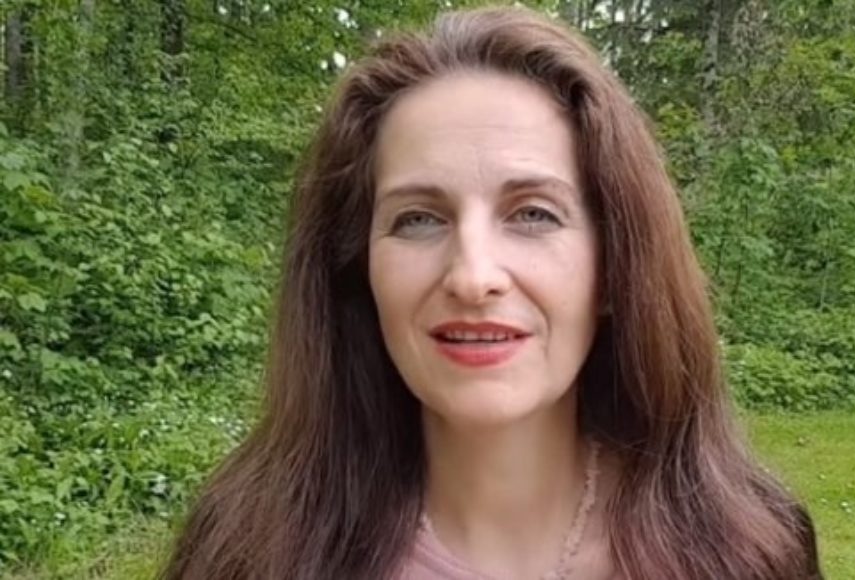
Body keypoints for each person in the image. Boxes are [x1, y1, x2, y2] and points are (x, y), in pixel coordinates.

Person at [163, 6, 821, 580]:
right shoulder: (250, 553)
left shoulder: (745, 552)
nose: (473, 276)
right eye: (417, 219)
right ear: (358, 270)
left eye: (533, 213)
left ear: (615, 267)